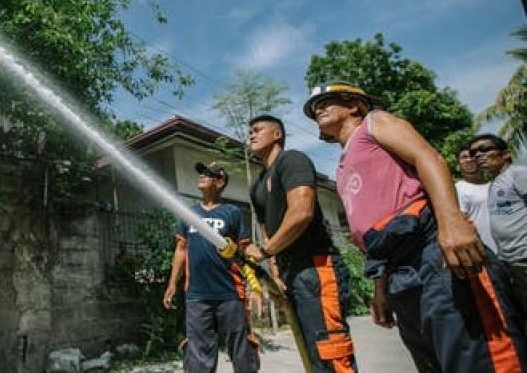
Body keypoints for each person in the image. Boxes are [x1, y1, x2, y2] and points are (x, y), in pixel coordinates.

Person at [304, 81, 527, 373]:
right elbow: (372, 232)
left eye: (328, 102)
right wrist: (380, 287)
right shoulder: (343, 165)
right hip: (397, 270)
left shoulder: (375, 122)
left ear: (354, 106)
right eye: (315, 108)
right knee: (432, 360)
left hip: (431, 250)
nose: (319, 109)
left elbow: (427, 156)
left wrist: (452, 221)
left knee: (479, 356)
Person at [244, 114, 357, 373]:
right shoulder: (257, 185)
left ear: (277, 135)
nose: (251, 134)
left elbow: (302, 211)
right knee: (312, 353)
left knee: (331, 351)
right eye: (249, 131)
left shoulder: (292, 160)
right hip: (289, 271)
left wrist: (264, 251)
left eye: (258, 129)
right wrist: (274, 269)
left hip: (316, 267)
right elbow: (267, 231)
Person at [162, 162, 260, 373]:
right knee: (198, 355)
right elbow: (180, 249)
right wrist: (172, 284)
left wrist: (256, 287)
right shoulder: (189, 213)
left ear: (220, 182)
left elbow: (244, 252)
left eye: (208, 174)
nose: (201, 176)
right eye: (201, 173)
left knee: (241, 350)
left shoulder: (231, 212)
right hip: (197, 295)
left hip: (230, 293)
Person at [469, 133, 527, 317]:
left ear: (506, 154)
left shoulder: (518, 174)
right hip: (510, 260)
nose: (478, 155)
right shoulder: (493, 184)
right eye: (474, 153)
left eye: (485, 149)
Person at [455, 145, 496, 252]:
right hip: (486, 253)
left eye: (472, 156)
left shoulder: (495, 185)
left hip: (514, 250)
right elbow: (461, 224)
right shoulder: (457, 189)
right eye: (464, 157)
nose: (469, 159)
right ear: (458, 166)